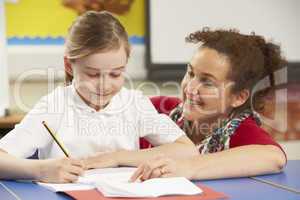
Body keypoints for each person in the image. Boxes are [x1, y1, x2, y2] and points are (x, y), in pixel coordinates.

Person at [0, 11, 197, 183]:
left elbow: (188, 151)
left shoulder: (133, 103)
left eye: (116, 73)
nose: (104, 85)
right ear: (69, 66)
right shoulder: (55, 106)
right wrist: (41, 170)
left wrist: (118, 157)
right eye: (93, 74)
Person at [130, 28, 287, 181]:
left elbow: (274, 157)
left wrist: (187, 166)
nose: (190, 88)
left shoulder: (241, 131)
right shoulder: (161, 109)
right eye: (190, 73)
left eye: (207, 82)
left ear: (239, 97)